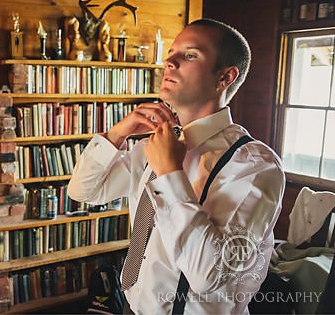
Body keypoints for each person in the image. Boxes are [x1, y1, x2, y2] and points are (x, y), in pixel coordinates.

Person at [67, 19, 284, 313]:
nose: (169, 61)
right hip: (131, 306)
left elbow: (210, 275)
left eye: (190, 54)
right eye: (171, 53)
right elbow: (84, 191)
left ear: (225, 77)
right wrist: (116, 134)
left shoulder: (254, 167)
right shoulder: (153, 145)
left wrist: (171, 174)